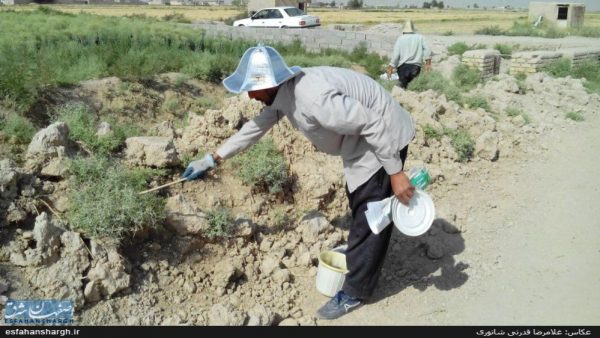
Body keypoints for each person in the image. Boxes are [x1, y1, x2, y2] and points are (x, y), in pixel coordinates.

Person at [182, 44, 417, 320]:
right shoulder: (283, 95)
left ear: (270, 84)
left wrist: (395, 172)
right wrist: (212, 158)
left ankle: (356, 291)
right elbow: (255, 128)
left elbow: (373, 123)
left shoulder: (313, 99)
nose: (249, 95)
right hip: (360, 144)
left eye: (252, 88)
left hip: (383, 138)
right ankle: (358, 252)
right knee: (360, 199)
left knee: (372, 214)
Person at [387, 20, 432, 89]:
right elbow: (428, 49)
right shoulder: (420, 37)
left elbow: (396, 55)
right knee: (414, 87)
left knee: (402, 88)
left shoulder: (400, 39)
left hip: (403, 68)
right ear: (413, 29)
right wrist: (428, 63)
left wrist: (390, 67)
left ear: (404, 29)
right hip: (416, 68)